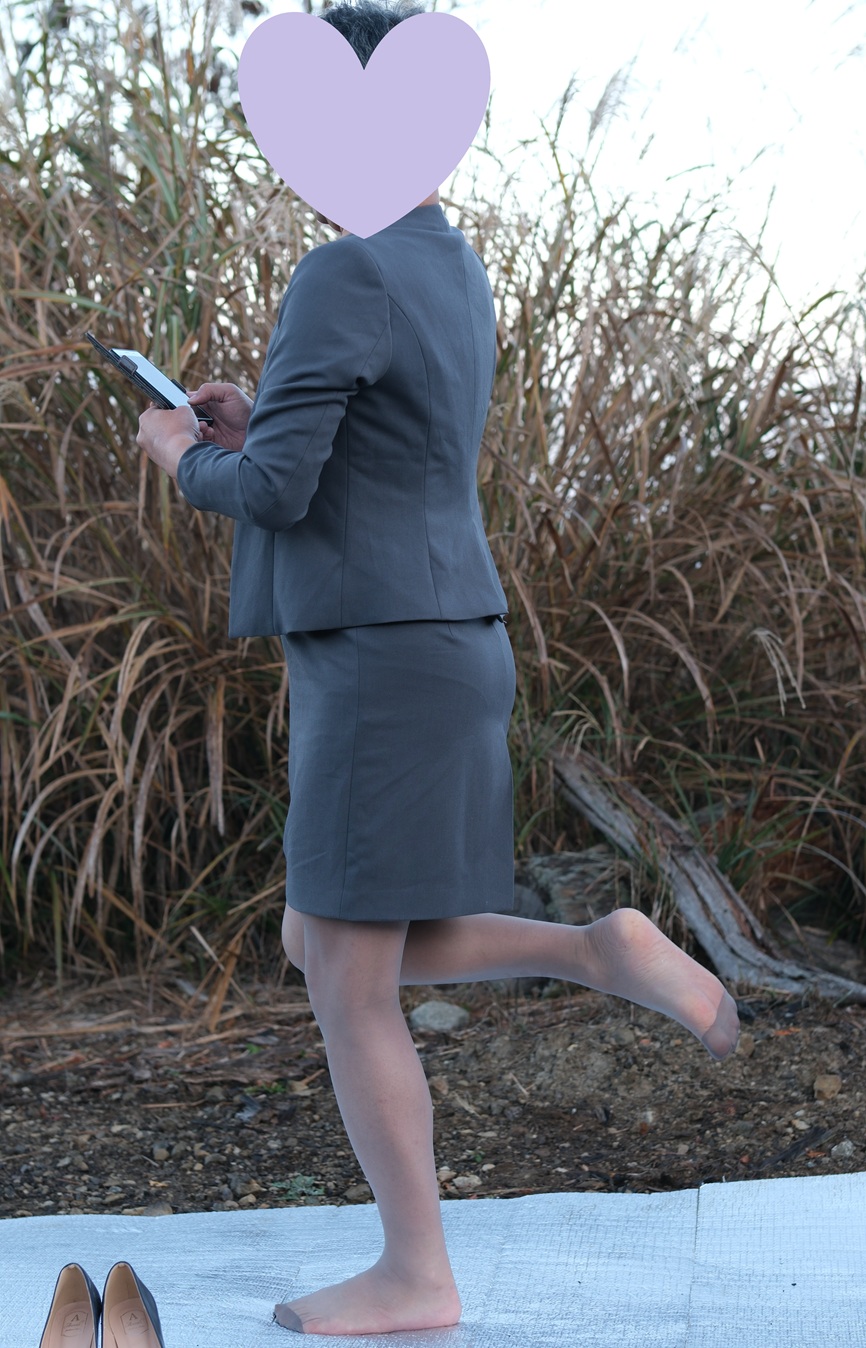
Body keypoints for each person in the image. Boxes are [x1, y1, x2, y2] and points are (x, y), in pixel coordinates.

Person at [135, 0, 740, 1335]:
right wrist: (252, 418)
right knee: (318, 936)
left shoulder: (341, 271)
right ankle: (596, 950)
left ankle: (416, 1275)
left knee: (347, 980)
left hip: (381, 658)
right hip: (439, 642)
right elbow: (361, 446)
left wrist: (180, 453)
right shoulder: (444, 264)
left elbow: (277, 493)